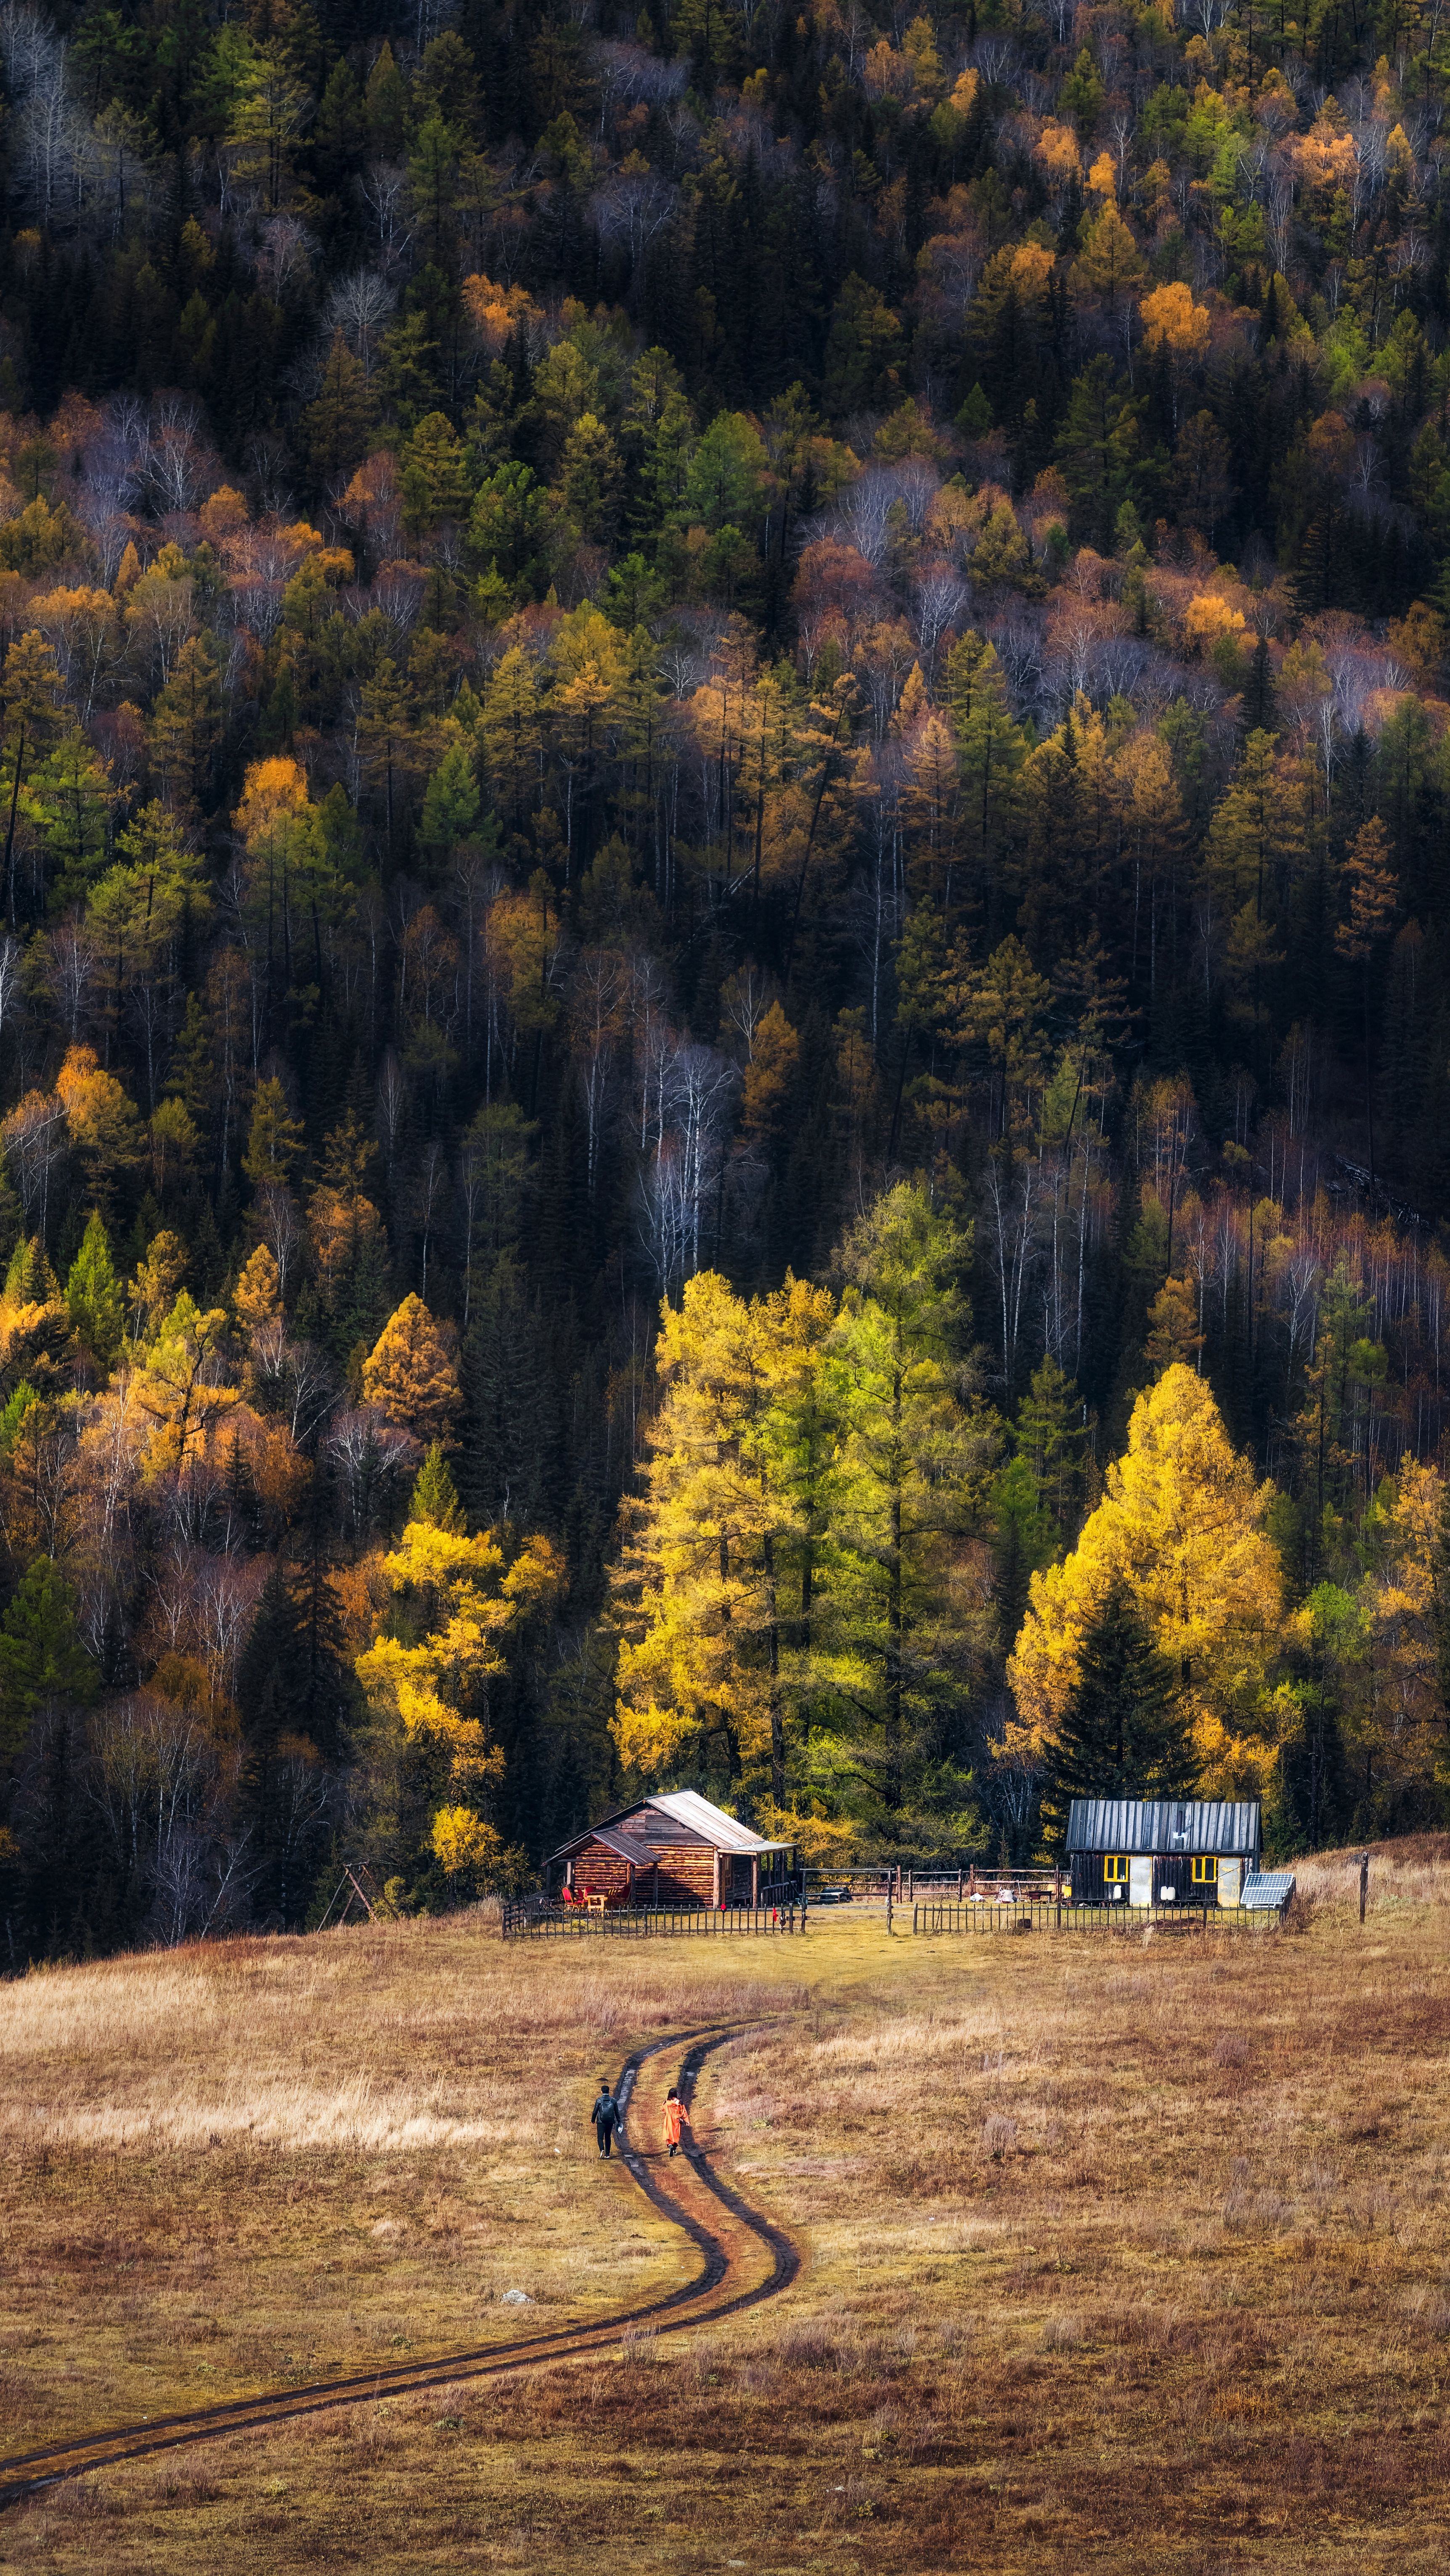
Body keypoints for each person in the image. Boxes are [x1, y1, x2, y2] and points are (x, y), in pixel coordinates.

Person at [591, 2080, 621, 2157]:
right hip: (610, 2122)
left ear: (602, 2092)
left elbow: (595, 2111)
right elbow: (617, 2112)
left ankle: (602, 2149)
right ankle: (608, 2154)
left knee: (600, 2137)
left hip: (601, 2121)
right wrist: (619, 2121)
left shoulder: (599, 2100)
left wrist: (593, 2120)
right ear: (609, 2091)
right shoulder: (613, 2100)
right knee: (608, 2137)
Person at [663, 2086, 689, 2159]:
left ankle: (670, 2146)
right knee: (676, 2135)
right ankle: (673, 2149)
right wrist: (687, 2121)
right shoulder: (680, 2103)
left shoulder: (666, 2102)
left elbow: (663, 2109)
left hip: (668, 2120)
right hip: (676, 2120)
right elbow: (684, 2112)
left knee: (669, 2134)